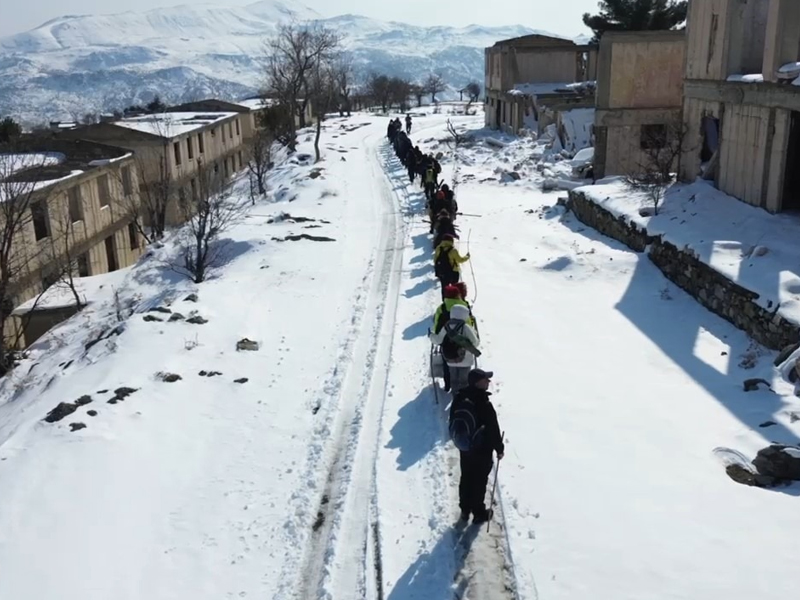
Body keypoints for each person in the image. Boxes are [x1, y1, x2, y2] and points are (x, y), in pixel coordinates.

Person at [449, 368, 504, 523]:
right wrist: (499, 448)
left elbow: (453, 418)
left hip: (465, 447)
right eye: (485, 379)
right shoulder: (483, 402)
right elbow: (493, 428)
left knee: (466, 477)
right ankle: (478, 512)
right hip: (481, 449)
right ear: (478, 383)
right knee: (479, 481)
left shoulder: (460, 396)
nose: (488, 381)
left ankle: (465, 510)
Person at [429, 304, 480, 394]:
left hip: (450, 359)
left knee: (454, 382)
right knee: (464, 382)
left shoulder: (446, 327)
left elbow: (438, 340)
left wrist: (431, 335)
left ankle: (455, 399)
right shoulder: (465, 327)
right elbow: (475, 343)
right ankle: (463, 401)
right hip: (465, 360)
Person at [434, 234, 470, 299]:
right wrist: (467, 257)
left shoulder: (438, 248)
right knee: (455, 287)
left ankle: (445, 302)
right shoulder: (453, 250)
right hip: (453, 272)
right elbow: (460, 260)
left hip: (442, 272)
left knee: (444, 288)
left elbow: (435, 260)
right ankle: (455, 301)